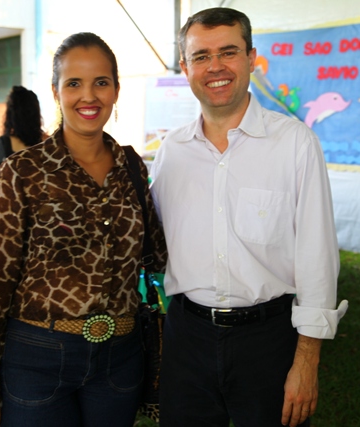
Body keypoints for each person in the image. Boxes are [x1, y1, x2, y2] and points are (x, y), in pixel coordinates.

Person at [149, 8, 348, 427]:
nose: (215, 67)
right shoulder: (171, 151)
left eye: (228, 52)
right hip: (187, 338)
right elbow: (152, 240)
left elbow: (317, 258)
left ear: (251, 58)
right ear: (185, 67)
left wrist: (307, 360)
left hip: (268, 340)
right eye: (201, 56)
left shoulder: (295, 143)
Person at [0, 32, 166, 427]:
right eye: (74, 83)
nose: (88, 96)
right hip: (38, 354)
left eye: (101, 82)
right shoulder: (22, 172)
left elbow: (157, 252)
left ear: (116, 90)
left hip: (121, 356)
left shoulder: (131, 168)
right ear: (56, 91)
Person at [0, 85, 47, 196]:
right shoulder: (49, 144)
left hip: (9, 206)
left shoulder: (0, 146)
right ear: (37, 113)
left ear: (10, 114)